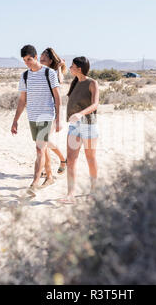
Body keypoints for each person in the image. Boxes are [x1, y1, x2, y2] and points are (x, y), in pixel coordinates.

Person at [11, 45, 61, 196]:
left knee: (39, 149)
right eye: (25, 60)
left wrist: (59, 118)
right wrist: (15, 121)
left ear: (36, 56)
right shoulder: (25, 76)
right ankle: (50, 176)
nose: (27, 63)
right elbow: (22, 100)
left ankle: (34, 183)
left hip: (47, 115)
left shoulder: (49, 73)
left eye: (29, 59)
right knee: (42, 148)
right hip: (32, 117)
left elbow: (57, 98)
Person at [58, 56, 99, 204]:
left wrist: (80, 114)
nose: (70, 68)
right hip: (74, 127)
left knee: (90, 158)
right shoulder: (75, 82)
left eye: (72, 66)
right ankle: (70, 194)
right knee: (71, 161)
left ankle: (94, 191)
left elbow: (95, 104)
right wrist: (60, 66)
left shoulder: (92, 83)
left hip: (89, 125)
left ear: (79, 68)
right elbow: (59, 79)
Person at [39, 48, 68, 176]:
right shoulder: (40, 72)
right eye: (40, 57)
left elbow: (59, 84)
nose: (41, 59)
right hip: (40, 111)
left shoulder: (54, 73)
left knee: (43, 140)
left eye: (44, 57)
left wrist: (59, 118)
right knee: (42, 141)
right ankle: (47, 168)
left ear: (51, 61)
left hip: (52, 111)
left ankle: (63, 159)